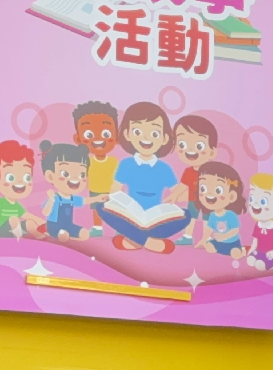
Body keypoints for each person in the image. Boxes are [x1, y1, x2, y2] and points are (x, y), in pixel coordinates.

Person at [96, 101, 190, 253]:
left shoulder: (164, 168)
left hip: (156, 220)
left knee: (186, 215)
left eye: (154, 133)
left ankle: (134, 239)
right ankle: (149, 241)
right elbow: (115, 191)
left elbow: (180, 195)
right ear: (127, 134)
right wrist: (110, 199)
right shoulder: (126, 164)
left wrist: (179, 193)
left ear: (164, 138)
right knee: (101, 206)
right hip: (131, 217)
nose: (146, 138)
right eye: (137, 131)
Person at [37, 140, 101, 241]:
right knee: (63, 235)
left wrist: (98, 198)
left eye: (82, 175)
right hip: (54, 226)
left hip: (68, 225)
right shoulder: (55, 198)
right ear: (50, 176)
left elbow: (84, 201)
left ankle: (70, 238)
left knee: (85, 234)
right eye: (65, 174)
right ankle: (51, 233)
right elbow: (45, 212)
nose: (75, 179)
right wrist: (51, 200)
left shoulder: (72, 198)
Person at [72, 101, 120, 238]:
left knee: (113, 210)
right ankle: (97, 227)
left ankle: (117, 227)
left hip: (112, 191)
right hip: (95, 189)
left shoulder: (114, 161)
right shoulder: (87, 162)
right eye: (89, 134)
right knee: (96, 210)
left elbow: (119, 177)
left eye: (106, 133)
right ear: (78, 139)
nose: (98, 138)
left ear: (116, 137)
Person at [0, 140, 43, 238]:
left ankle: (39, 236)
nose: (20, 182)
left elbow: (27, 215)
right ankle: (18, 238)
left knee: (29, 222)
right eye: (10, 177)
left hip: (14, 228)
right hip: (1, 230)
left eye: (27, 177)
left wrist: (39, 221)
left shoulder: (16, 205)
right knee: (13, 219)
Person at [171, 114, 219, 246]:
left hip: (208, 200)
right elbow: (183, 185)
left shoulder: (211, 172)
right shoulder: (188, 171)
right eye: (183, 144)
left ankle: (207, 238)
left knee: (207, 219)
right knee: (191, 217)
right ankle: (187, 236)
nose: (190, 150)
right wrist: (174, 195)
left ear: (212, 152)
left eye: (199, 145)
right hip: (192, 199)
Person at [195, 161, 246, 259]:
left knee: (235, 255)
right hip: (218, 242)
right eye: (203, 188)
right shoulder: (212, 215)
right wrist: (204, 239)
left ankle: (242, 251)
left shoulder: (230, 215)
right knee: (209, 246)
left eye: (218, 190)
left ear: (231, 196)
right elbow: (209, 228)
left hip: (232, 243)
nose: (209, 194)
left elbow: (235, 230)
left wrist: (225, 236)